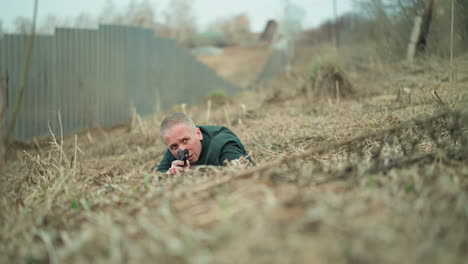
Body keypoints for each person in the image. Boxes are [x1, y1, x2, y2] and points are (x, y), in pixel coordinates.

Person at [154, 112, 253, 174]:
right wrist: (170, 176)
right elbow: (157, 176)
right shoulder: (175, 148)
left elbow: (242, 175)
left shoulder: (223, 143)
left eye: (185, 140)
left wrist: (193, 176)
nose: (182, 150)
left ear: (198, 134)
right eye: (174, 146)